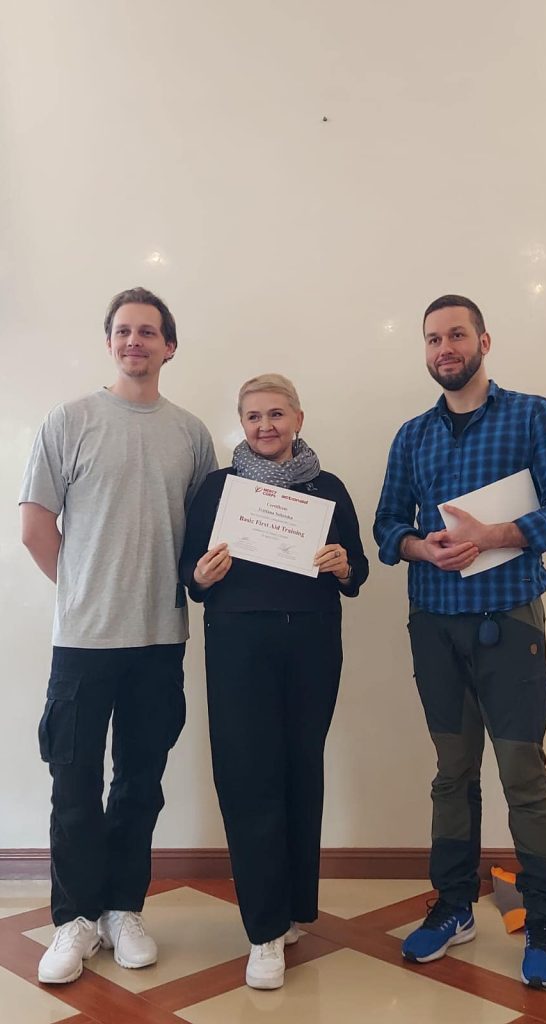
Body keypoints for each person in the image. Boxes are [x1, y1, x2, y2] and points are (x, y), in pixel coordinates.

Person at [374, 294, 546, 989]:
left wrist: (495, 535)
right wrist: (419, 547)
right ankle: (454, 905)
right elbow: (386, 525)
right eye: (433, 339)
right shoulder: (412, 435)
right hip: (433, 626)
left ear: (483, 341)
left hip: (509, 624)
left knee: (523, 774)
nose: (445, 349)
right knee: (451, 773)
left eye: (456, 335)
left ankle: (545, 917)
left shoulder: (533, 415)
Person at [20, 287, 217, 985]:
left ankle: (122, 910)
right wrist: (82, 592)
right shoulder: (69, 421)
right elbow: (35, 527)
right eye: (124, 331)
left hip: (160, 639)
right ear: (109, 342)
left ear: (170, 346)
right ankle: (73, 920)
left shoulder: (191, 434)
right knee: (73, 784)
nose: (135, 341)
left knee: (139, 783)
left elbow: (205, 535)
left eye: (149, 331)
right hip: (82, 642)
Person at [180, 374, 368, 991]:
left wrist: (343, 566)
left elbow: (358, 571)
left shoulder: (328, 488)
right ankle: (262, 931)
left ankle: (289, 910)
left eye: (277, 414)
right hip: (239, 647)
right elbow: (188, 574)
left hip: (313, 645)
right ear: (241, 423)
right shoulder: (218, 489)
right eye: (254, 416)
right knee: (247, 776)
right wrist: (203, 576)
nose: (266, 426)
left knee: (300, 772)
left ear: (298, 419)